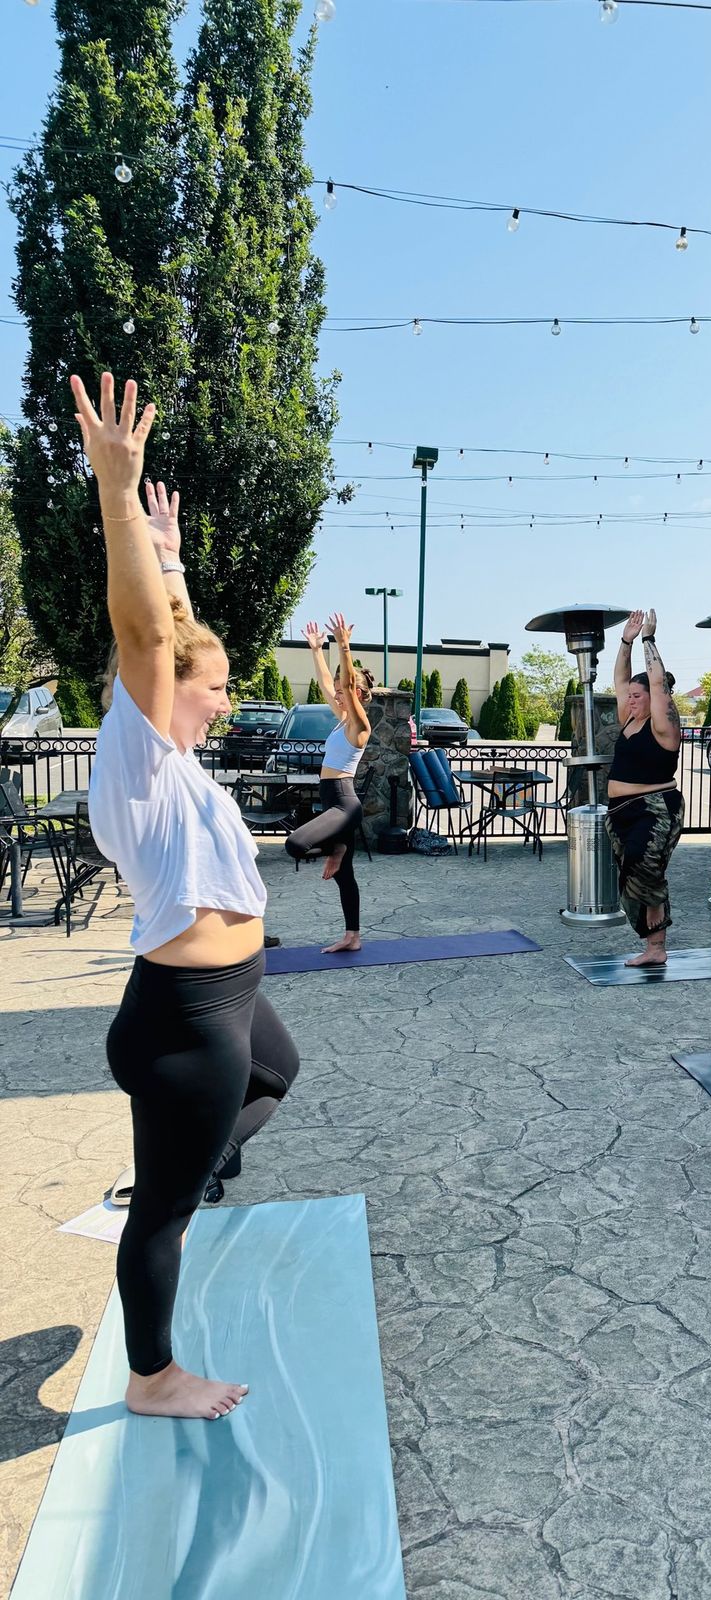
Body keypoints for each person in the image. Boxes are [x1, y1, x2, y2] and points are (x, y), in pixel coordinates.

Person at [78, 372, 299, 1421]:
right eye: (214, 683)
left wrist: (171, 559)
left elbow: (175, 630)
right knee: (163, 1215)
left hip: (226, 1006)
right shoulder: (140, 757)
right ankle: (153, 1376)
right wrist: (117, 497)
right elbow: (151, 641)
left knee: (281, 1071)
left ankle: (183, 1156)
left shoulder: (181, 758)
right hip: (185, 1020)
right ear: (171, 690)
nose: (226, 691)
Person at [285, 616, 372, 954]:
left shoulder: (359, 725)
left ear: (361, 696)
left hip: (343, 804)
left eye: (345, 692)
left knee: (295, 845)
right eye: (337, 693)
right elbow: (327, 683)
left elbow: (348, 685)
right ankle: (353, 936)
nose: (337, 695)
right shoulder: (342, 722)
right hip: (332, 800)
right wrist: (317, 650)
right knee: (344, 877)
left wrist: (343, 644)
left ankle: (336, 849)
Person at [605, 608, 685, 966]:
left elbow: (656, 682)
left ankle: (657, 945)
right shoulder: (630, 720)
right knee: (630, 878)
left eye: (640, 695)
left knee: (646, 870)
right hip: (621, 811)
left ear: (657, 697)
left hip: (654, 808)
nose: (631, 699)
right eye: (630, 696)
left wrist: (649, 640)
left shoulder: (664, 727)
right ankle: (653, 947)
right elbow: (621, 678)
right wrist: (626, 641)